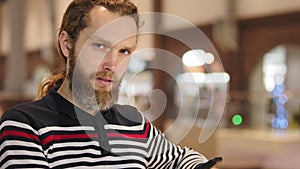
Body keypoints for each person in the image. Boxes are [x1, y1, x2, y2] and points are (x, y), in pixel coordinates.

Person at [0, 0, 222, 168]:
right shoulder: (25, 126)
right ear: (67, 44)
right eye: (99, 46)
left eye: (124, 51)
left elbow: (180, 159)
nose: (112, 64)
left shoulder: (134, 124)